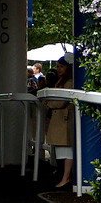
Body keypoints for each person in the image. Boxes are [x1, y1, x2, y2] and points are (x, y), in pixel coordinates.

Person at [45, 54, 75, 188]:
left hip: (65, 118)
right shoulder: (62, 81)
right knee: (62, 149)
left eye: (61, 67)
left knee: (66, 149)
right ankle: (64, 176)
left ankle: (66, 177)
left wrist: (49, 103)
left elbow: (62, 101)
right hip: (61, 119)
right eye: (57, 67)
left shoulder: (69, 82)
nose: (58, 69)